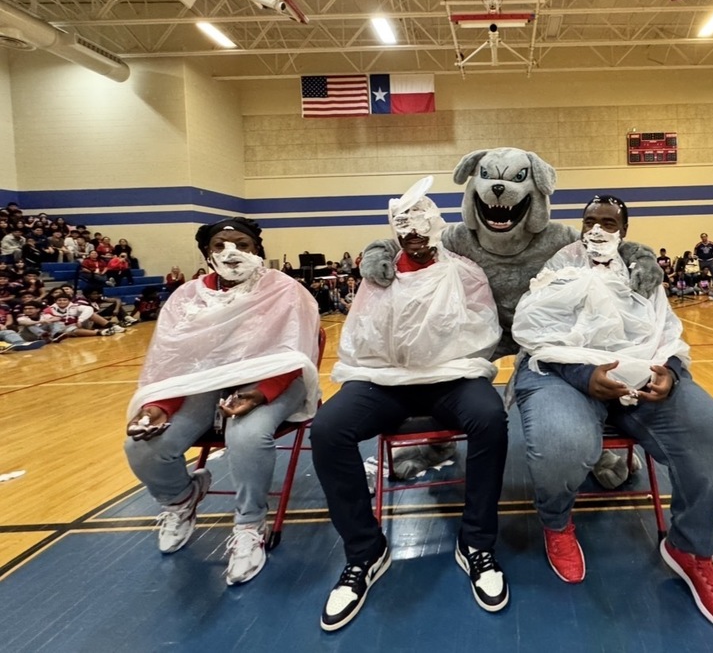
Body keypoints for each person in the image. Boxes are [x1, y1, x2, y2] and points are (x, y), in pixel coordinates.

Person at [510, 194, 713, 635]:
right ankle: (557, 523)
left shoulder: (641, 272)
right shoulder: (558, 266)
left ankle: (690, 549)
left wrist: (671, 373)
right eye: (590, 220)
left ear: (624, 228)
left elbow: (667, 330)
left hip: (638, 371)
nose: (597, 228)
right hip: (561, 373)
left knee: (707, 427)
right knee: (562, 442)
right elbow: (534, 332)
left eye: (608, 221)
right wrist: (583, 375)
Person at [311, 177, 509, 631]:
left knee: (489, 418)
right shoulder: (378, 274)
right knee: (328, 430)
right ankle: (365, 551)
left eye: (421, 220)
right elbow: (361, 334)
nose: (413, 231)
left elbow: (482, 331)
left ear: (438, 224)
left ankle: (476, 543)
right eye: (403, 224)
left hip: (450, 379)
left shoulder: (464, 271)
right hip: (386, 382)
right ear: (393, 230)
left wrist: (437, 350)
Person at [123, 217, 321, 586]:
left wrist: (262, 392)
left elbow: (297, 352)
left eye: (242, 245)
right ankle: (181, 498)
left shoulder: (286, 290)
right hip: (204, 384)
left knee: (246, 436)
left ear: (257, 250)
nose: (231, 252)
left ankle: (249, 525)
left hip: (274, 380)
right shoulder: (186, 298)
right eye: (220, 245)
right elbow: (174, 361)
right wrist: (158, 407)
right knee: (143, 444)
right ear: (206, 253)